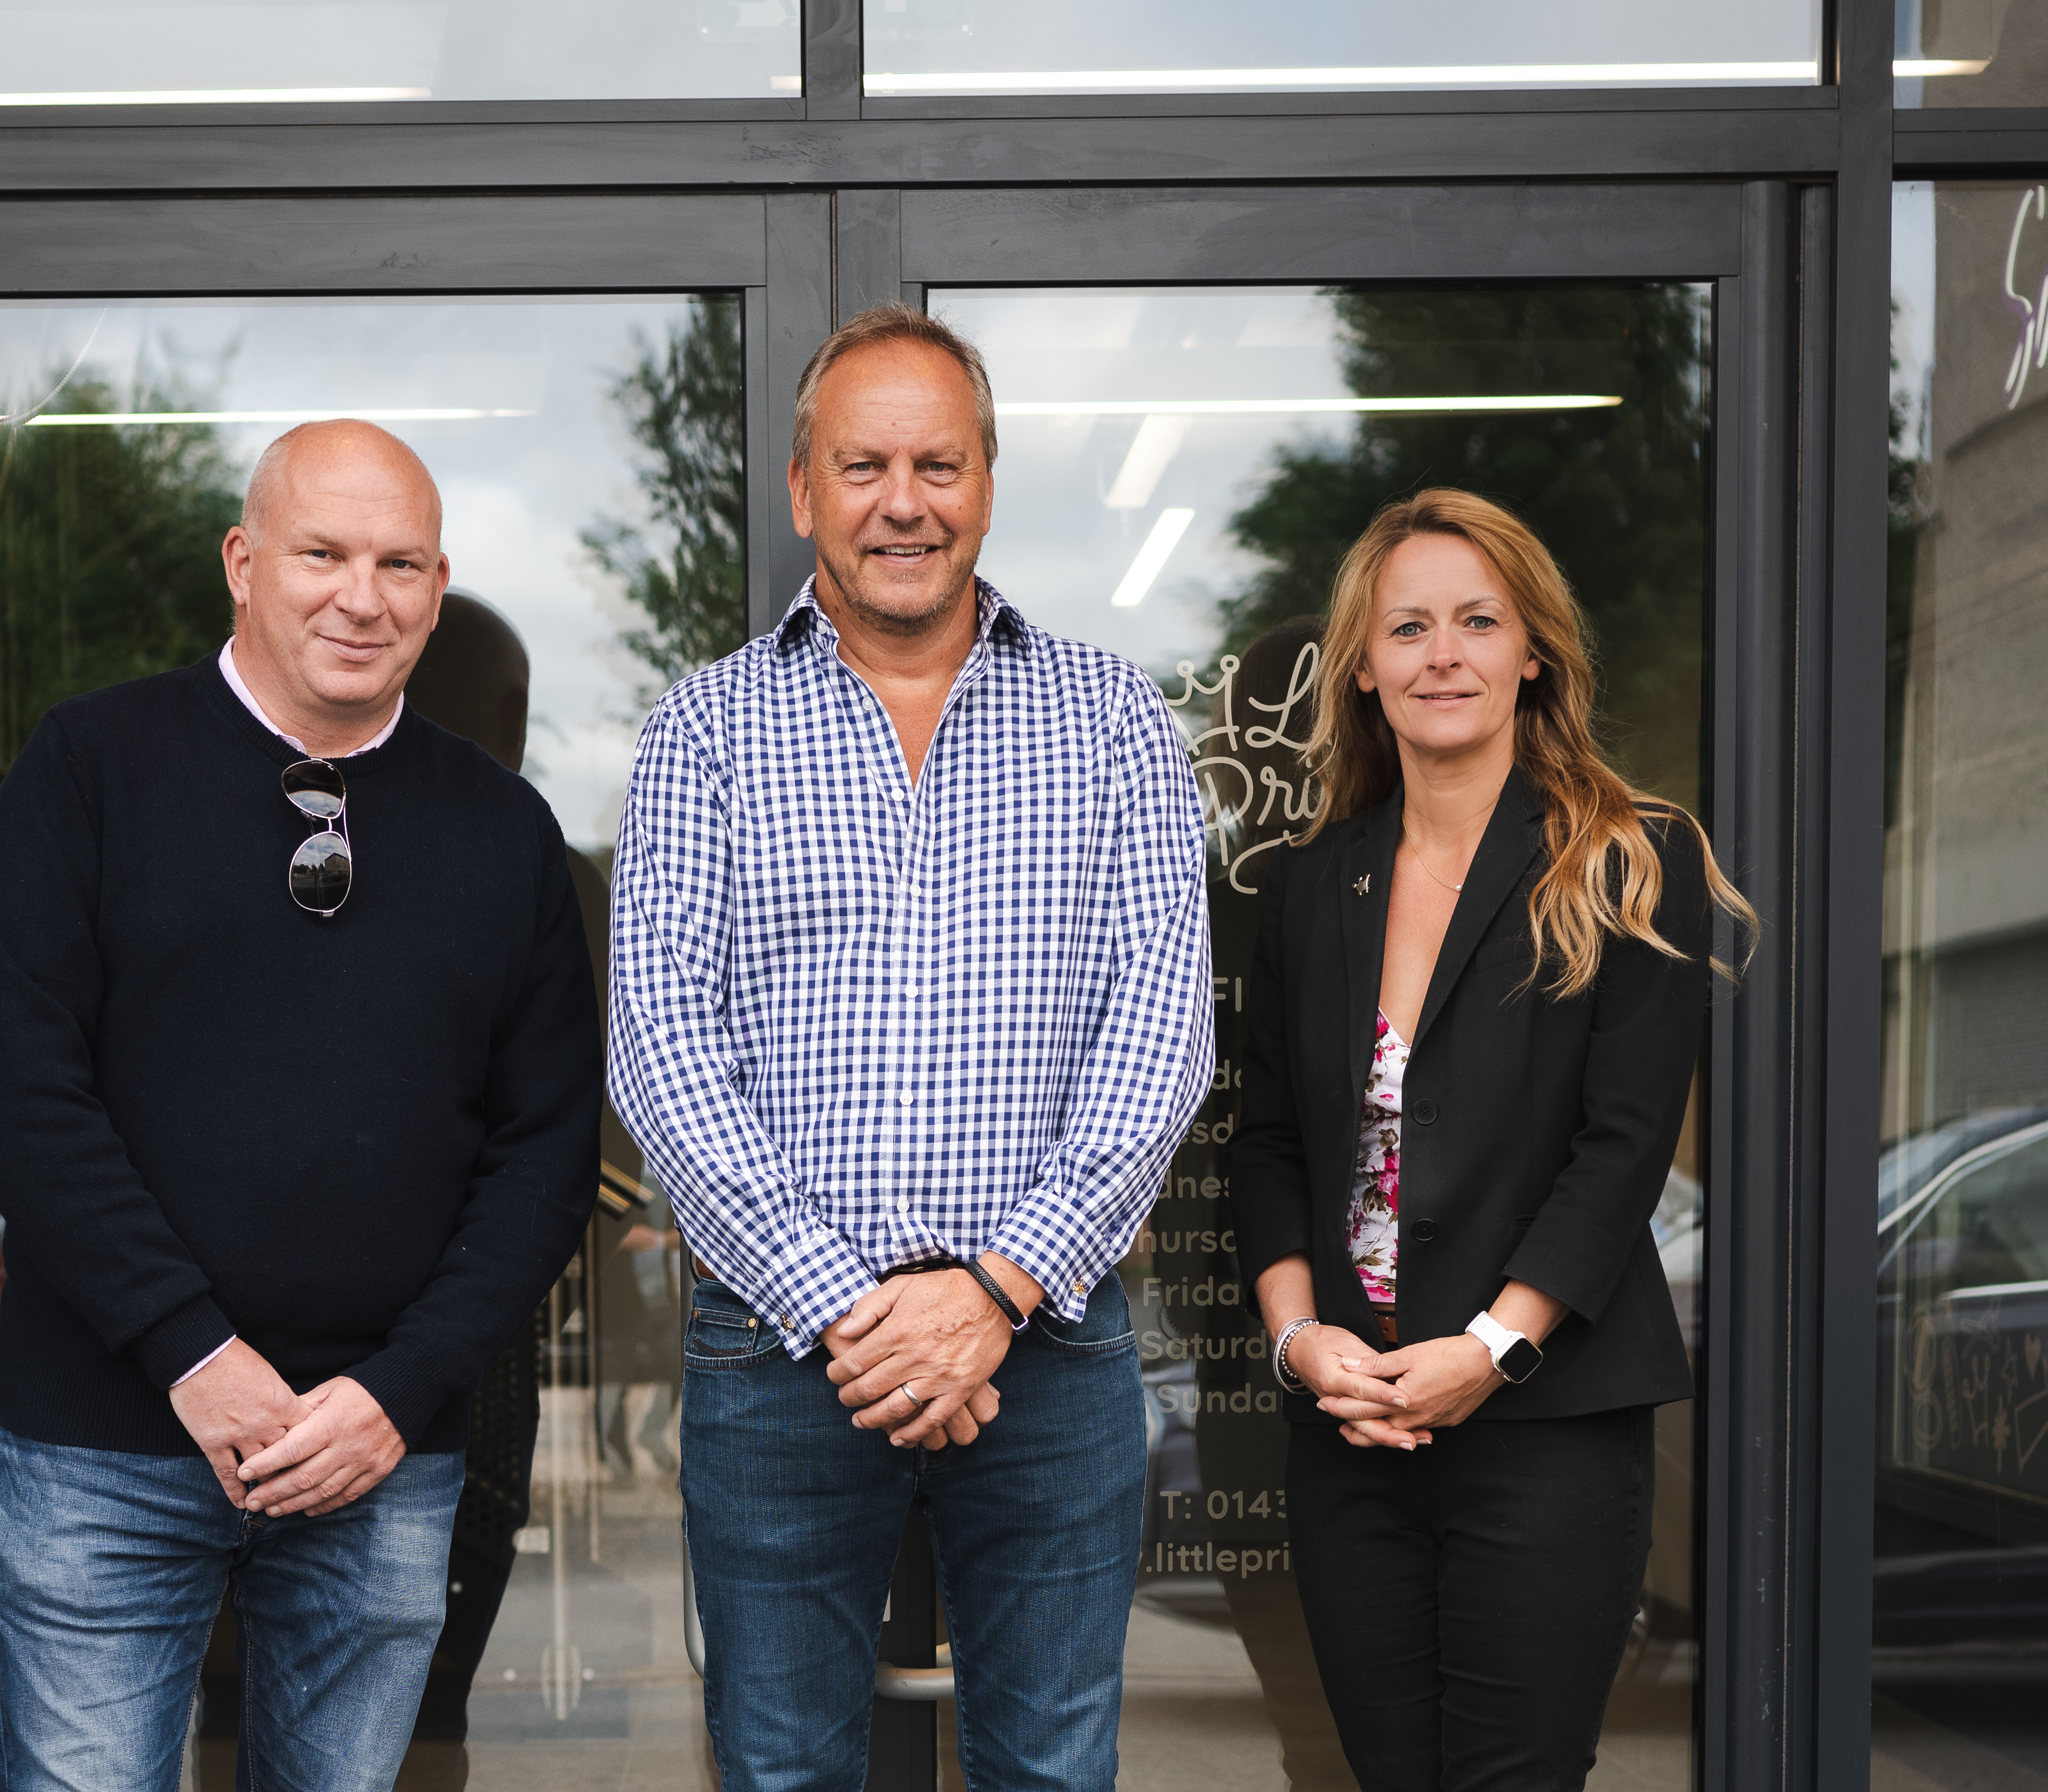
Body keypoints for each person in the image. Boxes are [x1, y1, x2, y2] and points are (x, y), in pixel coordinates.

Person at [607, 304, 1214, 1790]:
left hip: (1051, 1344)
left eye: (937, 463)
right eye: (864, 464)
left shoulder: (1114, 720)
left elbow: (1163, 1037)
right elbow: (660, 1050)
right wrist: (852, 1313)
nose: (904, 502)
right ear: (806, 490)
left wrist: (996, 1289)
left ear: (987, 483)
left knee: (1055, 1769)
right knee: (779, 1769)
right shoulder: (707, 732)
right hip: (778, 1348)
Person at [0, 420, 601, 1792]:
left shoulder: (504, 837)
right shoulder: (89, 772)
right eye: (324, 553)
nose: (362, 596)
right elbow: (16, 1085)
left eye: (399, 563)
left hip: (380, 1460)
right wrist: (191, 1350)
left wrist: (396, 1391)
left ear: (437, 585)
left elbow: (545, 1158)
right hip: (109, 1452)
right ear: (244, 562)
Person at [1230, 488, 1755, 1792]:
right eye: (1407, 626)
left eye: (1477, 620)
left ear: (1534, 652)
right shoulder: (1310, 879)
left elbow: (1622, 1149)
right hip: (1353, 1430)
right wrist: (1301, 1341)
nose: (1442, 653)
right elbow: (1271, 1143)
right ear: (1364, 664)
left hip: (1546, 1424)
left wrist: (1491, 1345)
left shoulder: (1632, 856)